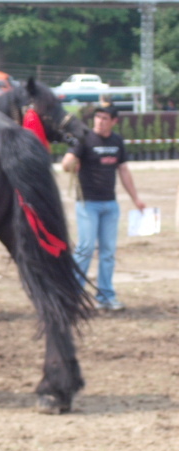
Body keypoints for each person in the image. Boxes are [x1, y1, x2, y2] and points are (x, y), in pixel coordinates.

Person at [62, 104, 145, 311]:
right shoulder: (84, 138)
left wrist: (136, 198)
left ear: (114, 121)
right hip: (88, 204)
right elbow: (66, 163)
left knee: (108, 252)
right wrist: (71, 162)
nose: (100, 121)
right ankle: (73, 295)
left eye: (105, 118)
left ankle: (106, 296)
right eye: (98, 117)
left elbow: (123, 169)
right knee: (85, 249)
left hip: (110, 204)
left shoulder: (117, 141)